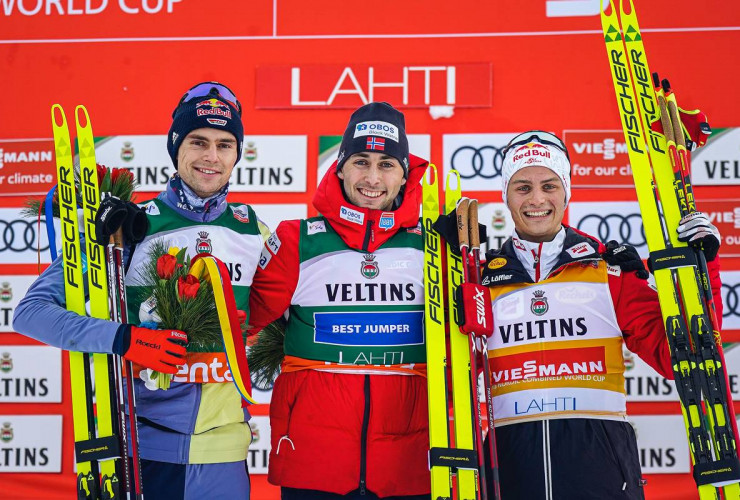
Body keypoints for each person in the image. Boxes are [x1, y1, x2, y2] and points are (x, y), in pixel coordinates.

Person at [14, 81, 266, 499]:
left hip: (225, 456)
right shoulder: (127, 227)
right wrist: (124, 339)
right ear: (175, 147)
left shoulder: (255, 232)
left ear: (238, 153)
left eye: (225, 144)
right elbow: (31, 313)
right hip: (141, 450)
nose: (211, 156)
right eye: (198, 141)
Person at [479, 130, 724, 499]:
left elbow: (684, 356)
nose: (537, 199)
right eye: (522, 187)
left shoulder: (610, 272)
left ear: (566, 192)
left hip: (601, 478)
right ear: (505, 196)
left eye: (549, 185)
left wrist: (704, 268)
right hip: (508, 474)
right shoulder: (482, 281)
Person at [248, 102, 431, 499]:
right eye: (361, 161)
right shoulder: (297, 240)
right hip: (313, 462)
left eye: (387, 165)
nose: (372, 177)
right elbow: (240, 323)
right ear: (340, 167)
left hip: (407, 461)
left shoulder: (431, 247)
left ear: (404, 175)